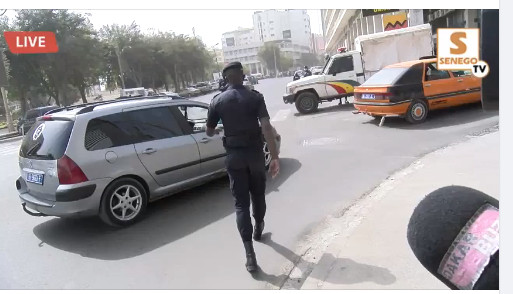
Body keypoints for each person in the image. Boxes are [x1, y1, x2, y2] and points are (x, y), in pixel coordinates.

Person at [205, 61, 280, 272]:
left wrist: (220, 128)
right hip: (256, 156)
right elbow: (266, 127)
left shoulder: (217, 101)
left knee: (241, 205)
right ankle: (259, 228)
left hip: (234, 157)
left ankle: (250, 256)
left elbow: (209, 131)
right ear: (242, 75)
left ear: (226, 78)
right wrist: (274, 157)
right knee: (258, 195)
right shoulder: (255, 97)